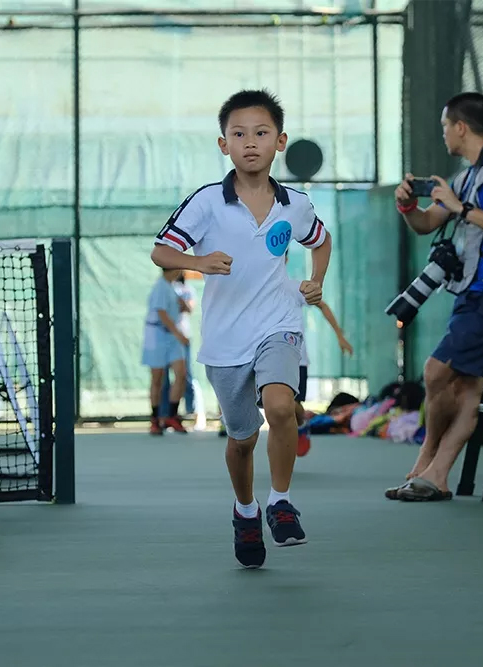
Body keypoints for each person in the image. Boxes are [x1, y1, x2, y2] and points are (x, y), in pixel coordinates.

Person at [151, 89, 332, 569]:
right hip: (226, 340)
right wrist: (199, 262)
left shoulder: (295, 205)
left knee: (282, 406)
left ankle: (281, 502)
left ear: (280, 142)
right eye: (239, 134)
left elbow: (321, 240)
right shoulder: (206, 202)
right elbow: (161, 252)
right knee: (242, 441)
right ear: (223, 144)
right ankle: (246, 510)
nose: (250, 142)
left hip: (279, 325)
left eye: (261, 132)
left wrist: (316, 281)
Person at [385, 92, 483, 502]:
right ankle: (435, 474)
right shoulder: (466, 177)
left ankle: (427, 464)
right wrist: (408, 206)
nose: (444, 134)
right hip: (470, 292)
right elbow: (427, 223)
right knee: (467, 390)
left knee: (435, 372)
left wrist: (460, 208)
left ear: (461, 127)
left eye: (446, 126)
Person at [285, 249, 353, 457]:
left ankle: (301, 423)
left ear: (285, 259)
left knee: (291, 404)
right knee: (275, 406)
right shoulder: (255, 289)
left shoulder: (295, 287)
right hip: (266, 357)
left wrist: (340, 336)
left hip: (297, 358)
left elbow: (322, 306)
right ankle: (283, 449)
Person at [142, 267, 190, 436]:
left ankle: (171, 416)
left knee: (181, 374)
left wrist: (183, 306)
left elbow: (180, 309)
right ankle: (155, 419)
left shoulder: (172, 287)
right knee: (157, 378)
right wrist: (179, 334)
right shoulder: (160, 287)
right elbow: (162, 313)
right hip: (157, 336)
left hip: (171, 337)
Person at [160, 274, 197, 419]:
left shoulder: (187, 289)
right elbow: (163, 312)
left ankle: (190, 410)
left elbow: (189, 308)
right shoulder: (164, 289)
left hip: (183, 337)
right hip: (166, 338)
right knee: (164, 378)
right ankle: (165, 413)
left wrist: (181, 301)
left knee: (185, 375)